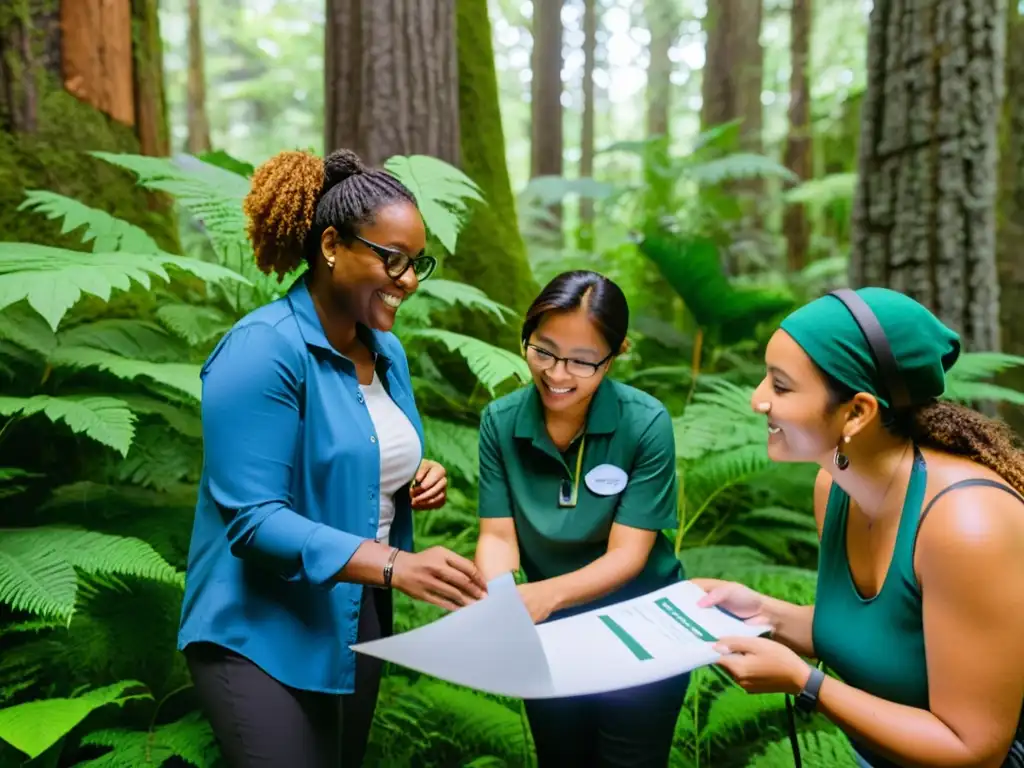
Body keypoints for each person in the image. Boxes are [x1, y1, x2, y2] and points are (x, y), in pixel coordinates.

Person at [177, 147, 488, 768]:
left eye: (417, 262)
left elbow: (361, 452)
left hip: (352, 616)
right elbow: (254, 520)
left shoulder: (386, 353)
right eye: (391, 259)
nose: (409, 279)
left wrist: (415, 477)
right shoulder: (263, 351)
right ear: (330, 246)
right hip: (257, 631)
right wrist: (398, 563)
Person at [694, 287, 1024, 768]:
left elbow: (974, 750)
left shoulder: (966, 525)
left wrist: (807, 684)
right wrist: (764, 612)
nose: (757, 400)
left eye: (781, 386)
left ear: (856, 412)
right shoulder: (834, 489)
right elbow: (884, 637)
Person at [473, 270, 689, 767]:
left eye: (582, 361)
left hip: (643, 634)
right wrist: (500, 598)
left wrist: (539, 597)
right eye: (542, 350)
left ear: (616, 355)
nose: (557, 374)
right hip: (548, 635)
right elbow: (498, 536)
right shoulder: (500, 423)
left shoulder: (645, 422)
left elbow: (628, 556)